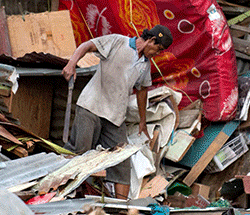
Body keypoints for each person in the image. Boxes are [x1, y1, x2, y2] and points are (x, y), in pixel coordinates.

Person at [61, 25, 173, 182]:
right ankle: (62, 194)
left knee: (121, 162)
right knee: (80, 154)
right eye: (158, 49)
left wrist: (142, 121)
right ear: (151, 40)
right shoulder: (118, 41)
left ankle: (122, 205)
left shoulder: (145, 64)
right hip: (91, 106)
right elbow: (87, 45)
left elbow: (142, 90)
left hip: (115, 116)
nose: (157, 54)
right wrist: (71, 63)